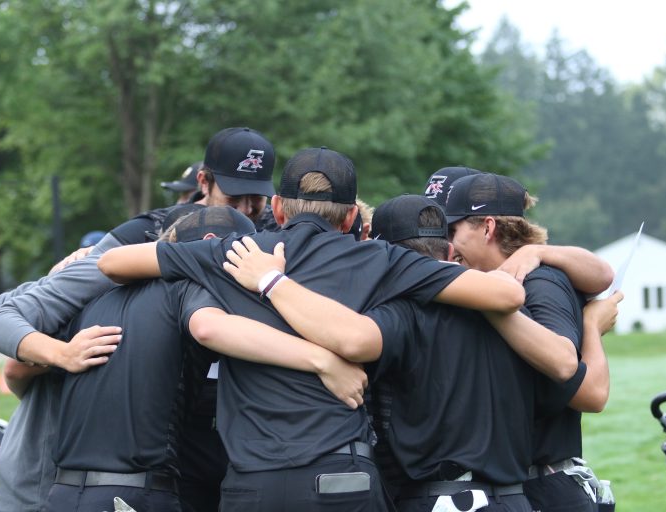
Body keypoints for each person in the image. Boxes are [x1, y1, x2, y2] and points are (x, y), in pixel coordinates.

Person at [98, 146, 527, 511]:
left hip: (253, 484)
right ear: (350, 218)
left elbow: (112, 263)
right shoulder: (383, 260)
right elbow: (506, 297)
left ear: (279, 209)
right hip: (342, 480)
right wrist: (540, 257)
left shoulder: (239, 252)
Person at [220, 194, 621, 511]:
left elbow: (351, 338)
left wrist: (271, 282)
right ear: (448, 252)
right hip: (512, 499)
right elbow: (566, 385)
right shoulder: (516, 322)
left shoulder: (400, 316)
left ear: (383, 257)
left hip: (433, 498)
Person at [37, 207, 366, 512]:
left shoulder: (94, 300)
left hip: (62, 493)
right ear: (212, 247)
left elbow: (19, 366)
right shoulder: (188, 288)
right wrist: (323, 360)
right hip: (135, 494)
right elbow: (210, 328)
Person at [443, 172, 613, 511]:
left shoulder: (540, 282)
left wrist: (591, 327)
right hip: (514, 487)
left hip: (543, 486)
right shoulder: (483, 280)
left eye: (452, 230)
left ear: (488, 228)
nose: (445, 244)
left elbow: (586, 390)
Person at [192, 127, 277, 226]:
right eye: (234, 196)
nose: (246, 210)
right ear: (204, 182)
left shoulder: (278, 227)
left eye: (257, 196)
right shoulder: (175, 228)